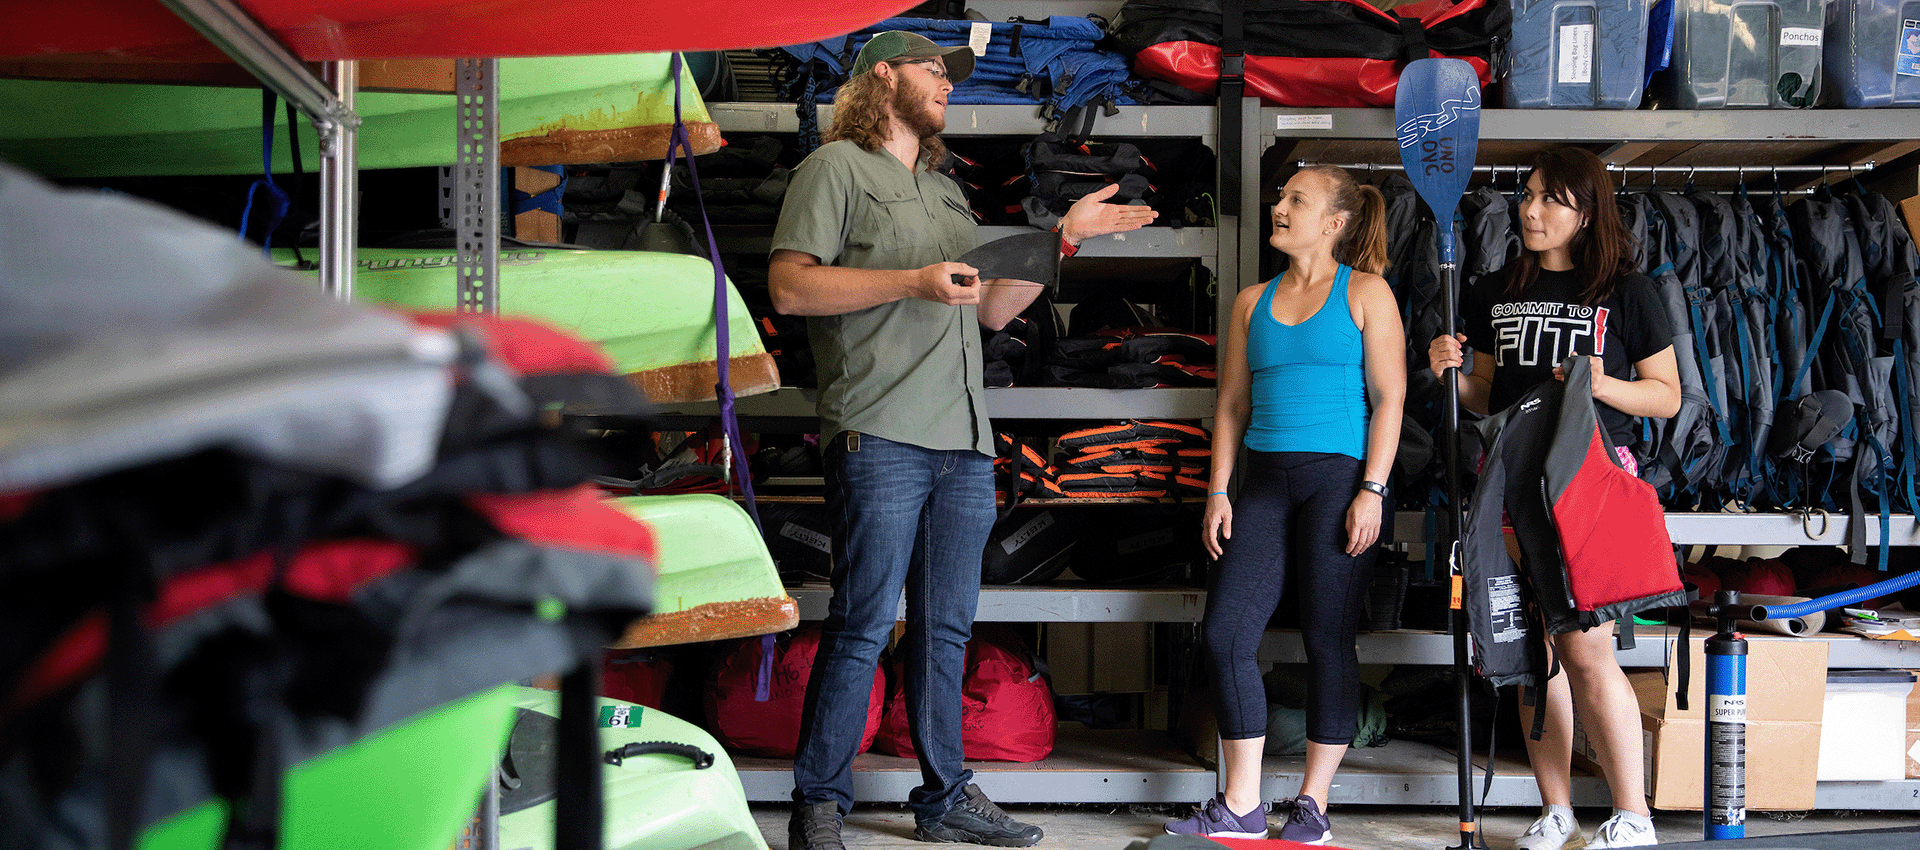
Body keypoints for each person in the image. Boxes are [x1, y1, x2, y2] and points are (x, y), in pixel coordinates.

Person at [767, 31, 1157, 850]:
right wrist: (910, 281)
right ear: (883, 76)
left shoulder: (947, 193)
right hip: (879, 430)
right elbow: (791, 287)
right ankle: (819, 805)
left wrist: (1062, 238)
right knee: (863, 622)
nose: (946, 84)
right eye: (933, 70)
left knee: (947, 628)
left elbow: (991, 311)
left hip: (965, 437)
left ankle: (945, 795)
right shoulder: (832, 169)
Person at [1427, 147, 1680, 850]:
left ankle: (1634, 816)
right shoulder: (1493, 287)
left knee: (1588, 647)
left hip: (1588, 484)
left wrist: (1599, 384)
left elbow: (1666, 396)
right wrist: (1446, 371)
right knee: (1534, 654)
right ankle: (1557, 809)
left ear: (1586, 212)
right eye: (1528, 197)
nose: (1530, 211)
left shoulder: (1628, 292)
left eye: (1550, 200)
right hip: (1512, 481)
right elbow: (1486, 393)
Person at [1167, 165, 1405, 845]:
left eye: (1293, 200)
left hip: (1340, 483)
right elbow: (1231, 405)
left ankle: (1312, 806)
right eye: (1280, 197)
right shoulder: (1249, 302)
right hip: (1264, 484)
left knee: (1328, 639)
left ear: (1333, 222)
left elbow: (1389, 399)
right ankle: (1242, 804)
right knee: (1225, 633)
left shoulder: (1366, 293)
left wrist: (1374, 490)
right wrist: (1218, 490)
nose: (1278, 206)